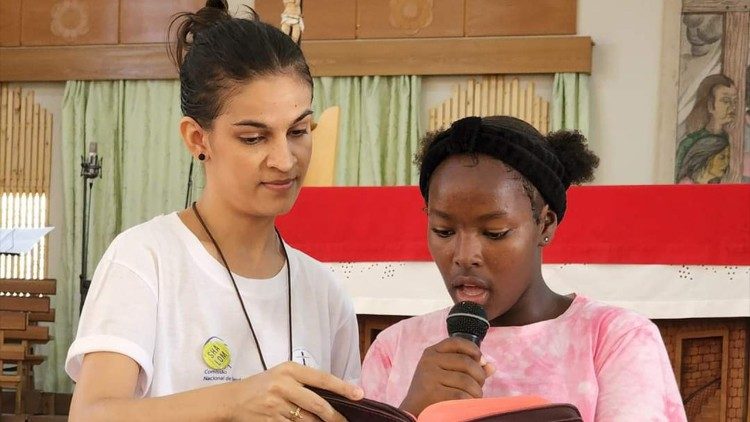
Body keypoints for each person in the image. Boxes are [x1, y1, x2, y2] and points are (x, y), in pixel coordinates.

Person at [65, 1, 362, 421]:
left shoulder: (325, 294)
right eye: (254, 138)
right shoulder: (145, 260)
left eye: (298, 131)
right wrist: (235, 401)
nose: (285, 159)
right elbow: (91, 414)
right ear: (197, 138)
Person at [360, 116, 687, 421]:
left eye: (494, 233)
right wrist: (411, 411)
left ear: (544, 224)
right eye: (444, 231)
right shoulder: (394, 348)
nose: (464, 255)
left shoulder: (615, 339)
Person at [676, 74, 736, 181]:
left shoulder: (728, 139)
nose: (733, 106)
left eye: (735, 101)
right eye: (726, 100)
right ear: (710, 105)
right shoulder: (689, 143)